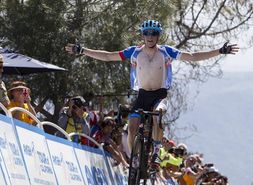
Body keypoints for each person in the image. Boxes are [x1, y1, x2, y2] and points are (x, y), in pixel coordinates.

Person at [65, 19, 239, 171]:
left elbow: (193, 56)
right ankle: (134, 157)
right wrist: (83, 50)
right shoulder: (134, 52)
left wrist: (220, 51)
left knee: (158, 114)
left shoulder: (166, 52)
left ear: (158, 36)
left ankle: (155, 152)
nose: (150, 36)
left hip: (159, 95)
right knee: (132, 128)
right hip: (142, 96)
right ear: (143, 35)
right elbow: (109, 56)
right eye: (147, 33)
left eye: (154, 33)